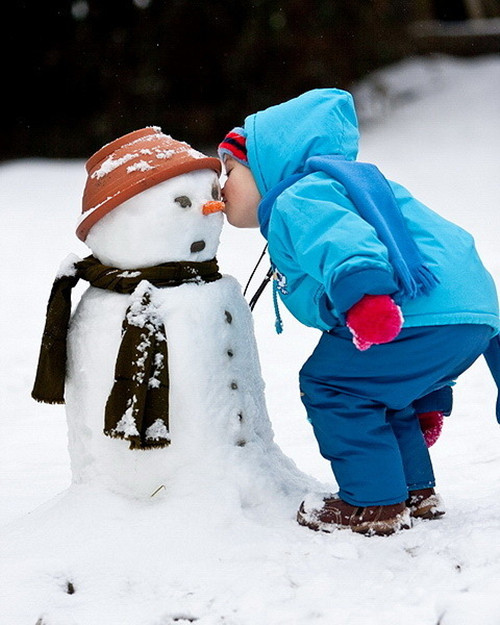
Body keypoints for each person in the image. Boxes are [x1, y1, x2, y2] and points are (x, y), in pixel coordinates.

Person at [218, 88, 500, 536]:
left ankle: (375, 503)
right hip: (471, 311)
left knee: (332, 384)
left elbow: (342, 240)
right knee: (376, 392)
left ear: (269, 165)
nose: (221, 184)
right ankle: (415, 492)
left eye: (229, 169)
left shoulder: (301, 196)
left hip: (410, 312)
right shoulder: (352, 185)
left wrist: (366, 299)